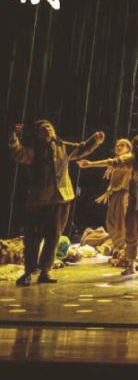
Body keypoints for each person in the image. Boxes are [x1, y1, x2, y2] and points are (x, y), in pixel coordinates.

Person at [9, 120, 104, 286]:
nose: (47, 129)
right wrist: (13, 137)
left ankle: (45, 271)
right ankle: (29, 272)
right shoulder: (35, 149)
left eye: (49, 127)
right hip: (39, 200)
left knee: (53, 237)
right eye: (43, 128)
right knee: (33, 238)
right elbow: (19, 153)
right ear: (38, 133)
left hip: (61, 198)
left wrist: (94, 140)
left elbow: (81, 149)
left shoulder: (62, 146)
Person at [78, 134, 138, 275]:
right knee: (131, 232)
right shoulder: (133, 159)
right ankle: (130, 264)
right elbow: (113, 162)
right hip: (135, 201)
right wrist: (90, 164)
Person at [81, 139, 133, 255]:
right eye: (117, 145)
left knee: (120, 221)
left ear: (128, 148)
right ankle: (116, 244)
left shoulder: (128, 158)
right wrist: (109, 190)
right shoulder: (119, 160)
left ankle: (120, 246)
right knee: (112, 221)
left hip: (123, 193)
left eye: (122, 145)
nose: (118, 147)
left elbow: (110, 162)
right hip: (115, 194)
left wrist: (90, 164)